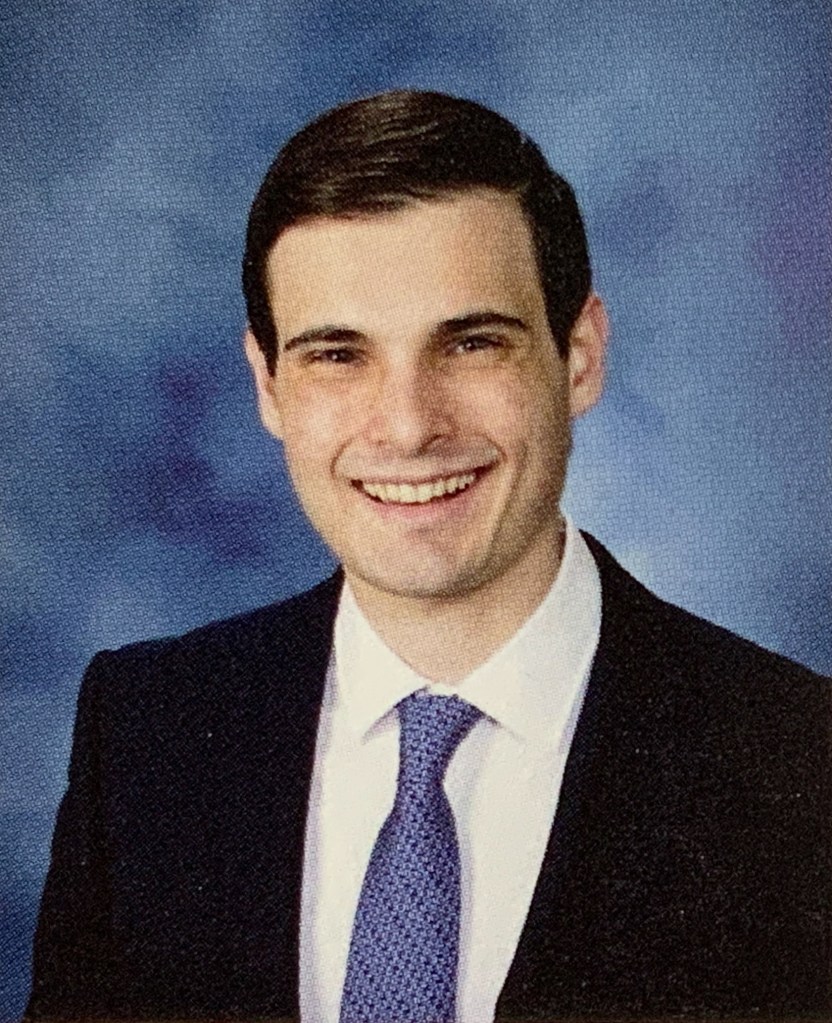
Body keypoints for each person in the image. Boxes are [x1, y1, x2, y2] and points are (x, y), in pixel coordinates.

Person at [27, 90, 830, 1023]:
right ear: (269, 386)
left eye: (473, 342)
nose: (408, 428)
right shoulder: (148, 735)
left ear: (579, 357)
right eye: (338, 356)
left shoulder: (795, 761)